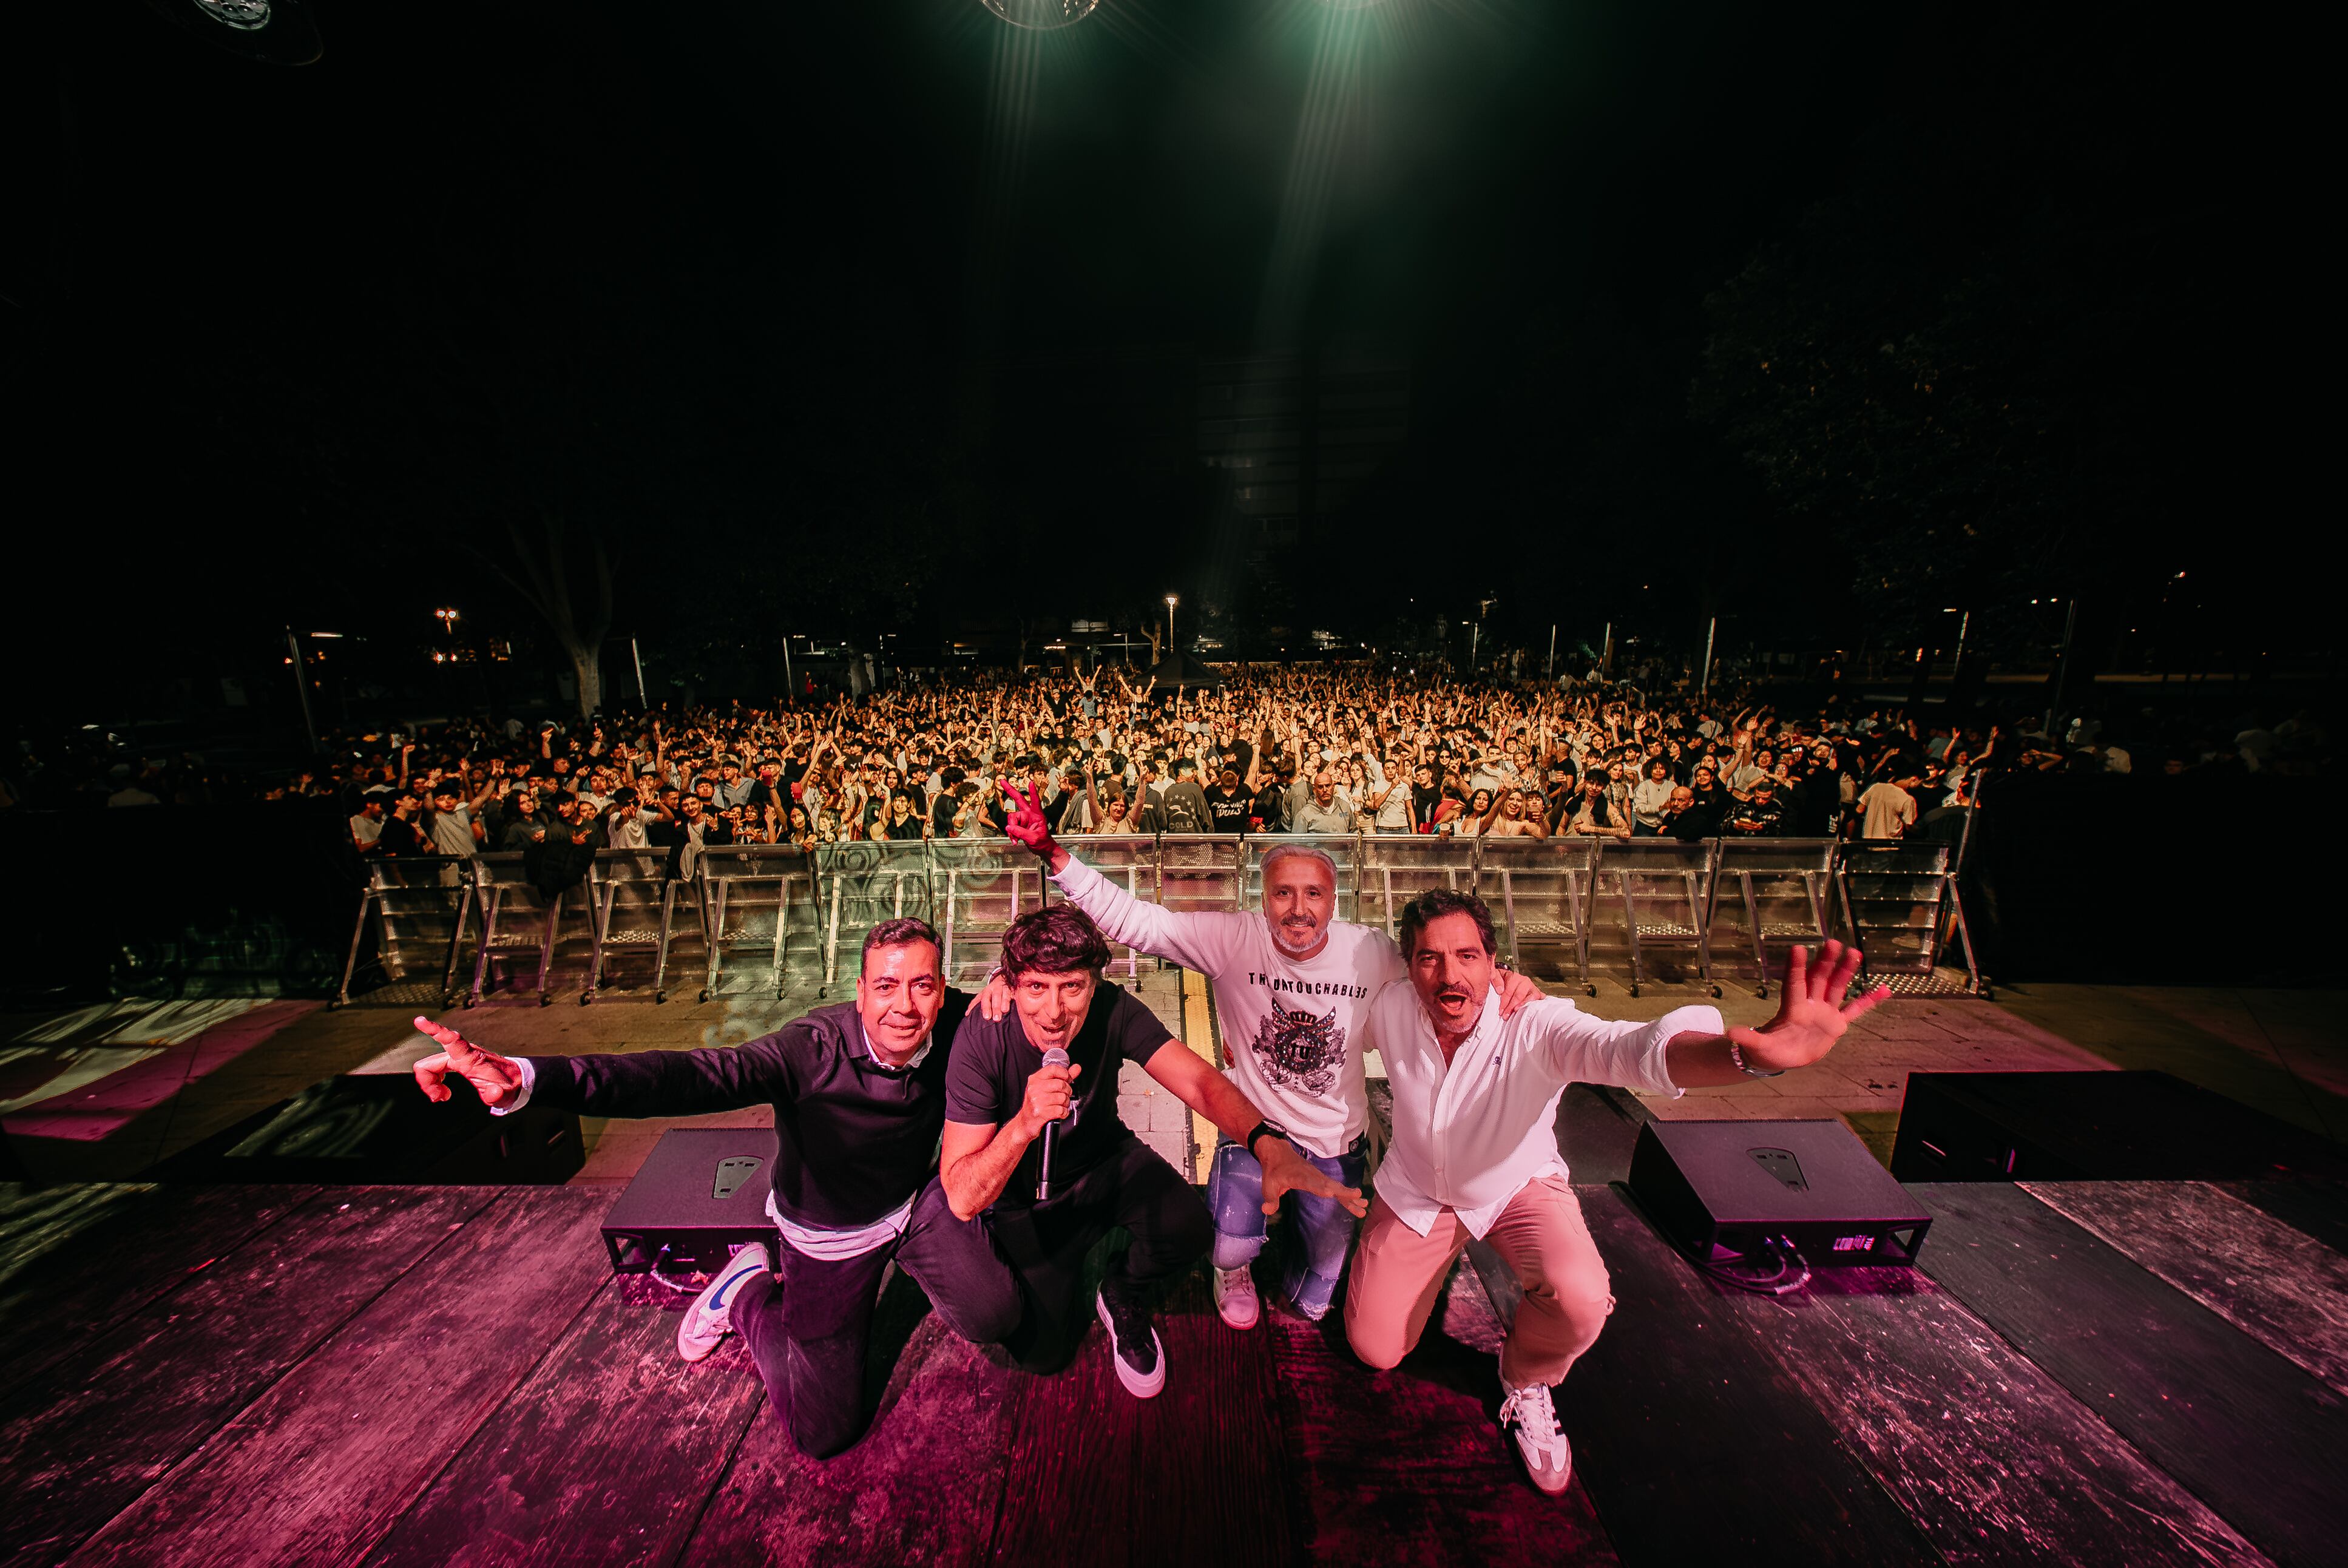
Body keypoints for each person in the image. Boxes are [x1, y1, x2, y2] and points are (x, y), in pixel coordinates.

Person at [407, 919, 1023, 1459]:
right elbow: (683, 1077)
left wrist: (1008, 985)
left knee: (998, 1311)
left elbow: (1048, 999)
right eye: (885, 986)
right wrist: (528, 1078)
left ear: (943, 991)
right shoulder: (805, 1051)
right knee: (824, 1432)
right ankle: (745, 1290)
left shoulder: (954, 1019)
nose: (905, 1007)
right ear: (859, 994)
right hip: (832, 1235)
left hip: (918, 1203)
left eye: (922, 985)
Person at [1348, 890, 1886, 1494]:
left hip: (1513, 1186)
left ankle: (1525, 1376)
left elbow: (1629, 1050)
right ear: (1408, 963)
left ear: (1493, 960)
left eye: (1466, 955)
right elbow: (1324, 1002)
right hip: (1418, 1191)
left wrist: (1746, 1056)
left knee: (1579, 1299)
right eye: (1429, 958)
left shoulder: (1537, 1022)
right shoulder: (1391, 1006)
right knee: (1376, 1348)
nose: (1448, 974)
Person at [998, 782, 1541, 1332]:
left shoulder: (1371, 953)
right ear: (1262, 898)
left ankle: (1293, 1257)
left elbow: (1443, 973)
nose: (1298, 910)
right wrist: (1054, 857)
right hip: (1253, 1133)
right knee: (1230, 1247)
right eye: (1283, 893)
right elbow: (1138, 923)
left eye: (1313, 895)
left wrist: (1501, 981)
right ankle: (1231, 1268)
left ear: (1335, 901)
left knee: (1312, 1300)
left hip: (1335, 1145)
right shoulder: (1235, 940)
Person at [939, 903, 1361, 1397]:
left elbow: (1199, 1082)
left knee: (1188, 1228)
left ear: (1093, 984)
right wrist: (1023, 1126)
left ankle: (1121, 1288)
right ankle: (1059, 1269)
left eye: (1071, 987)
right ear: (1010, 986)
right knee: (1045, 1356)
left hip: (1101, 1162)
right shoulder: (983, 1037)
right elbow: (963, 1197)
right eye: (1036, 988)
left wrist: (1265, 1143)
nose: (1053, 1013)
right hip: (1021, 1202)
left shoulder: (1113, 1009)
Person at [1858, 774, 1918, 840]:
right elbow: (1908, 826)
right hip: (1891, 844)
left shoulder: (1876, 787)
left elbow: (1859, 810)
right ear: (1913, 779)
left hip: (1870, 842)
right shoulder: (1908, 799)